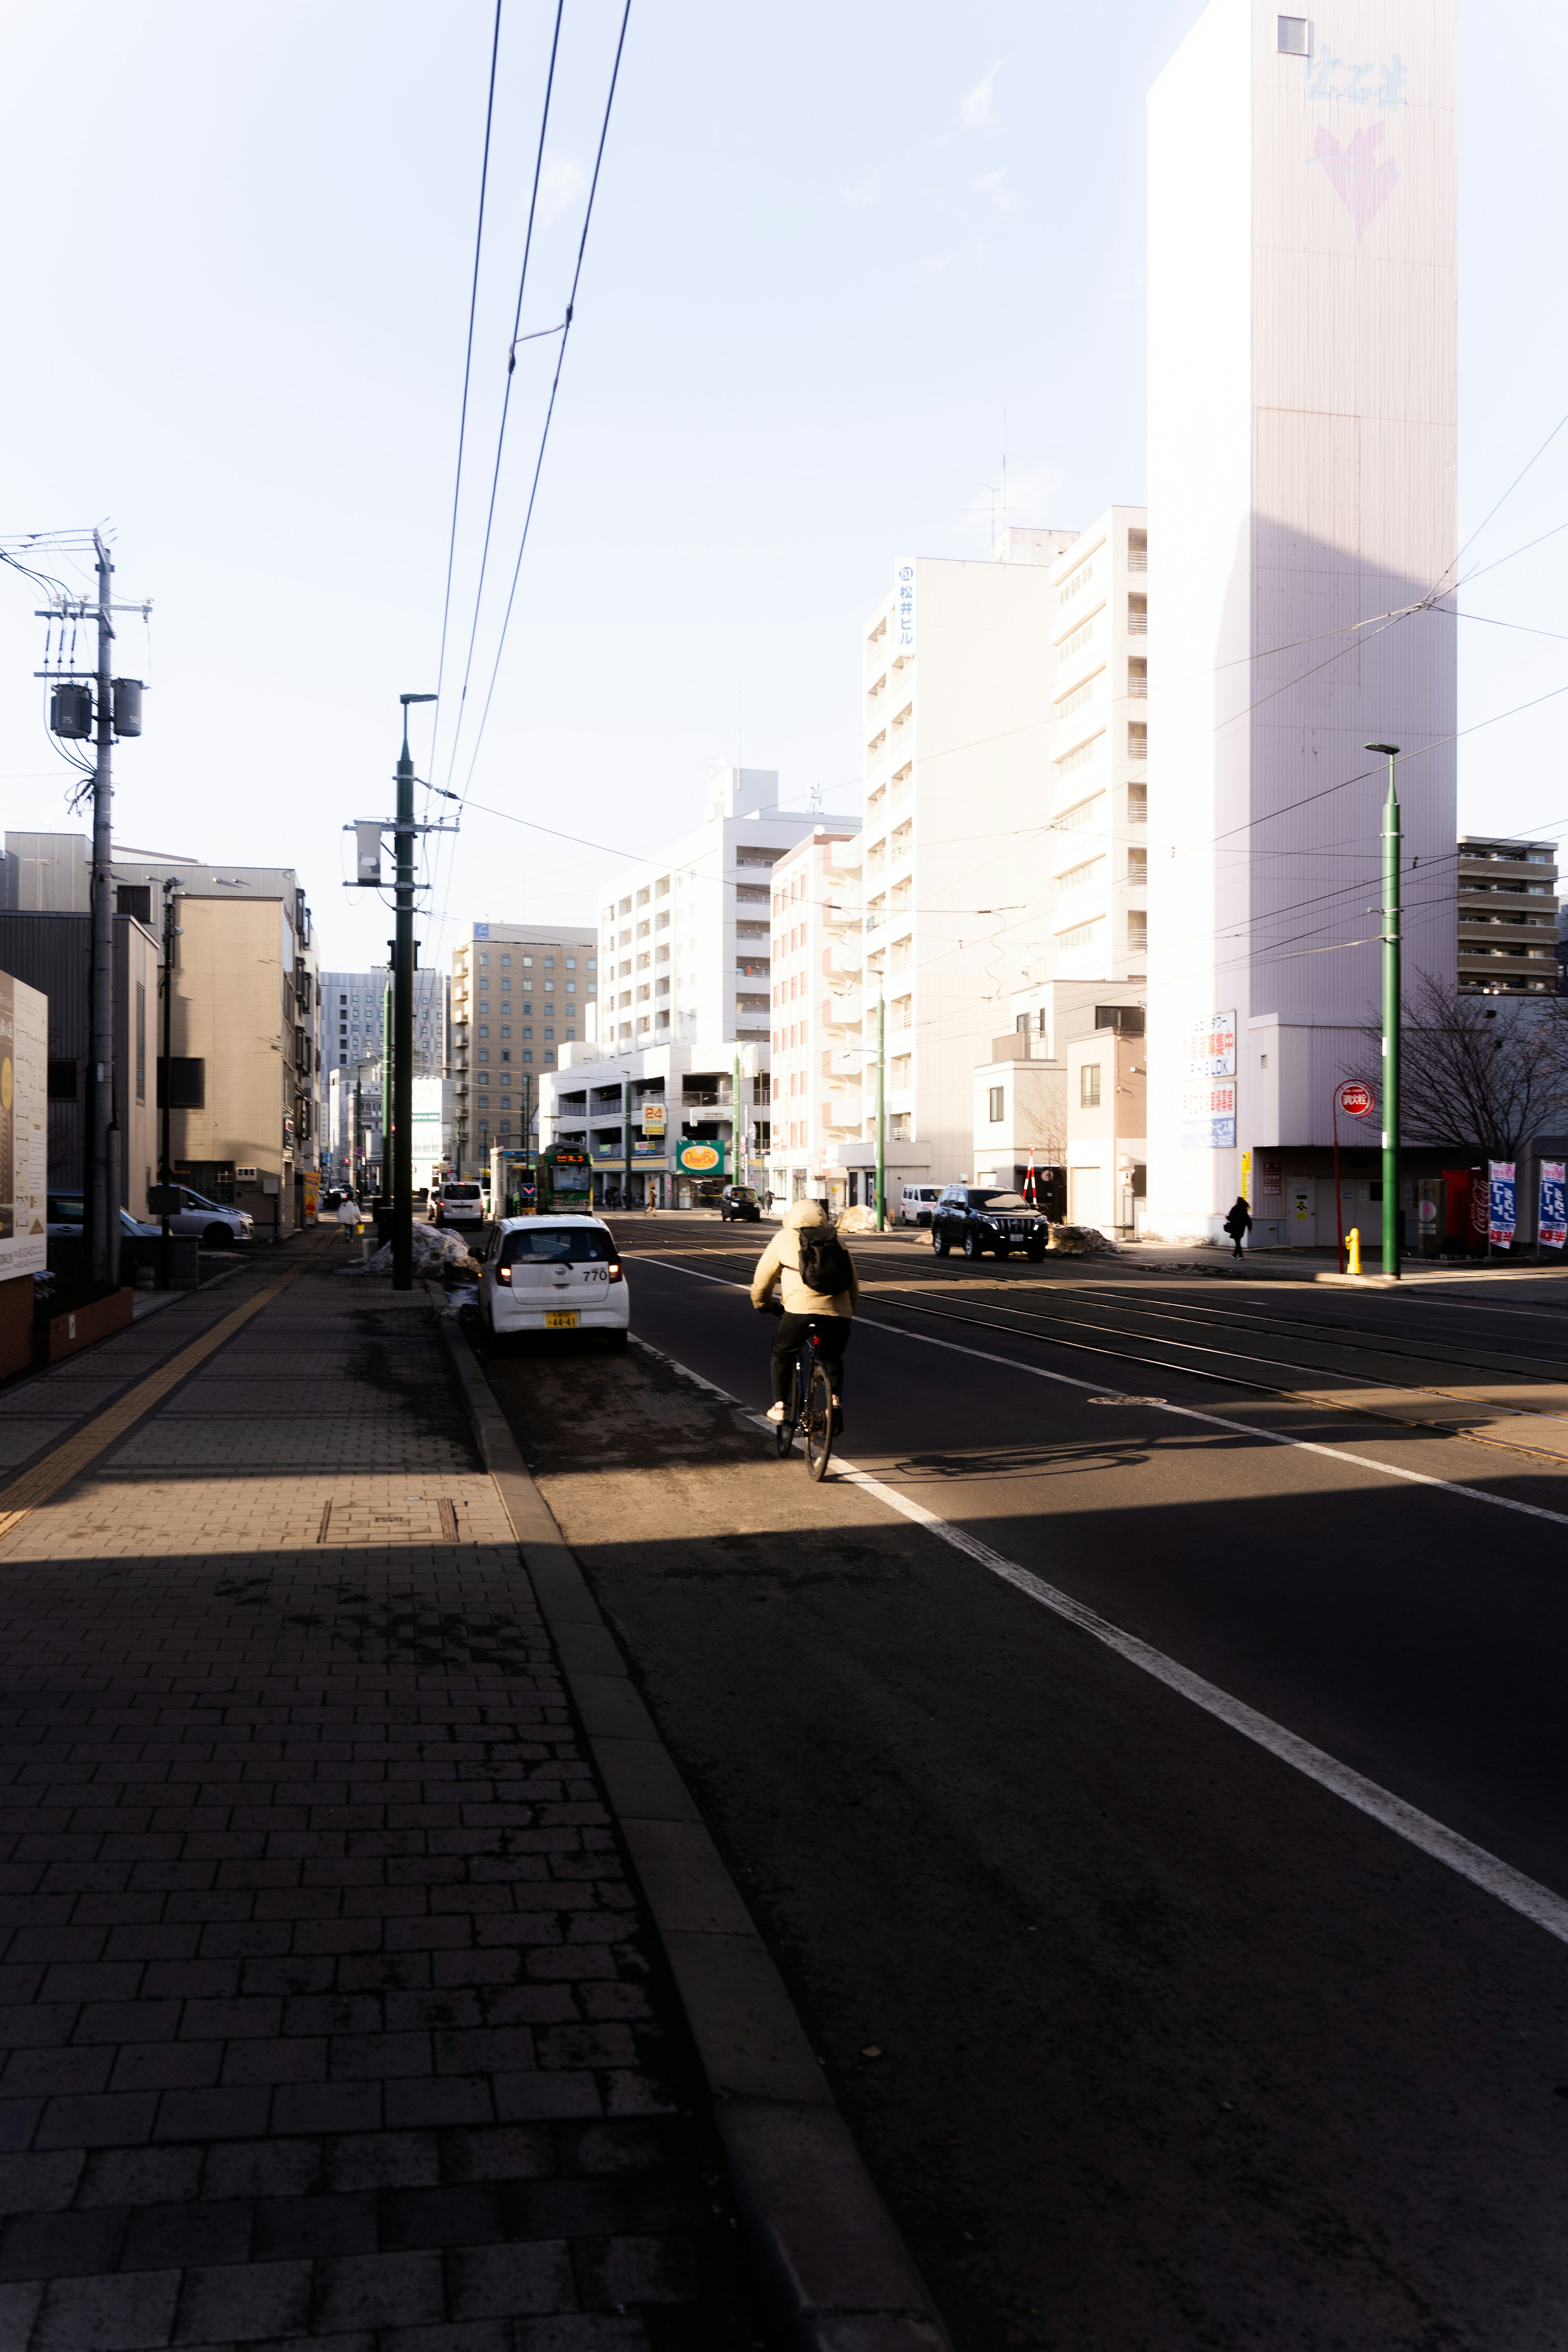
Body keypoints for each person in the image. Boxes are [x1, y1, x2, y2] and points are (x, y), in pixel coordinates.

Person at [750, 1200, 859, 1425]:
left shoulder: (785, 1237)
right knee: (832, 1358)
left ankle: (780, 1407)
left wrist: (763, 1305)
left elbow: (763, 1280)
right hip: (839, 1315)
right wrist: (846, 1313)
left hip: (799, 1312)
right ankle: (834, 1403)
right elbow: (854, 1285)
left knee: (782, 1352)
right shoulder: (836, 1239)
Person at [1223, 1194, 1251, 1260]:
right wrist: (1250, 1228)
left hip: (1235, 1228)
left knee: (1237, 1241)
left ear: (1238, 1202)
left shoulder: (1235, 1209)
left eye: (1236, 1201)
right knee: (1238, 1240)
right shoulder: (1244, 1210)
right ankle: (1234, 1255)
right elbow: (1248, 1219)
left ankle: (1241, 1255)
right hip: (1242, 1228)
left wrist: (1227, 1217)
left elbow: (1232, 1218)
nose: (1235, 1202)